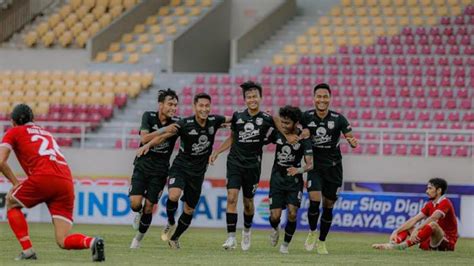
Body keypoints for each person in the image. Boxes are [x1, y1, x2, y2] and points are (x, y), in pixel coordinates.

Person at [0, 104, 105, 261]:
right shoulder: (46, 133)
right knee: (62, 239)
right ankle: (92, 242)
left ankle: (28, 251)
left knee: (11, 202)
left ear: (13, 122)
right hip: (65, 181)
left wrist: (15, 183)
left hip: (43, 177)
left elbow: (1, 161)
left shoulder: (14, 131)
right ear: (33, 119)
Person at [137, 93, 230, 249]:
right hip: (180, 168)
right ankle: (171, 221)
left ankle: (174, 238)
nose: (204, 109)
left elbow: (236, 118)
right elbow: (164, 136)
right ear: (194, 107)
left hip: (198, 173)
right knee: (174, 195)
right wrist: (147, 145)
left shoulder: (215, 121)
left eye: (207, 106)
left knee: (189, 209)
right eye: (201, 105)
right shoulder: (185, 123)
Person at [209, 81, 277, 251]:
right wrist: (217, 151)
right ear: (244, 100)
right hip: (235, 163)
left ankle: (246, 231)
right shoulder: (238, 116)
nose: (252, 99)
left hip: (253, 166)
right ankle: (231, 238)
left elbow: (282, 130)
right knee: (231, 197)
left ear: (260, 98)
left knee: (248, 203)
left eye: (255, 96)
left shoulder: (267, 119)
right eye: (248, 97)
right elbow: (232, 138)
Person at [300, 83, 358, 254]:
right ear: (314, 98)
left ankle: (322, 241)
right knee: (314, 200)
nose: (322, 100)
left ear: (330, 99)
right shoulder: (306, 117)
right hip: (315, 167)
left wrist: (352, 142)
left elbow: (350, 138)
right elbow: (293, 129)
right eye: (319, 96)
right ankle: (312, 232)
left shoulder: (338, 118)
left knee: (328, 205)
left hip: (334, 168)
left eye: (325, 97)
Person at [129, 89, 180, 249]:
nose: (173, 108)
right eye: (170, 104)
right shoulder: (148, 116)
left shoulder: (178, 122)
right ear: (161, 105)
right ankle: (138, 213)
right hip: (142, 165)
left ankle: (137, 240)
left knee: (149, 207)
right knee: (135, 204)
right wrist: (165, 129)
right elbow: (144, 138)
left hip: (160, 170)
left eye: (175, 105)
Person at [266, 106, 313, 254]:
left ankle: (285, 245)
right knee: (275, 216)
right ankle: (275, 228)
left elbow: (310, 164)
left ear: (296, 123)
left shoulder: (303, 138)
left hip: (294, 182)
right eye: (282, 122)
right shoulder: (278, 133)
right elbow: (262, 139)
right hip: (277, 179)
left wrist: (298, 170)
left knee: (292, 213)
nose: (284, 126)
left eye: (287, 123)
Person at [372, 178, 458, 251]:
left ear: (439, 190)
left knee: (433, 224)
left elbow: (433, 218)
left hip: (447, 242)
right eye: (427, 188)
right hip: (431, 243)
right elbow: (414, 219)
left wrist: (417, 229)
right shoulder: (430, 204)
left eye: (430, 188)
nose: (427, 191)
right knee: (409, 226)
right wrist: (397, 231)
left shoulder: (445, 202)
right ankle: (392, 244)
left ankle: (400, 247)